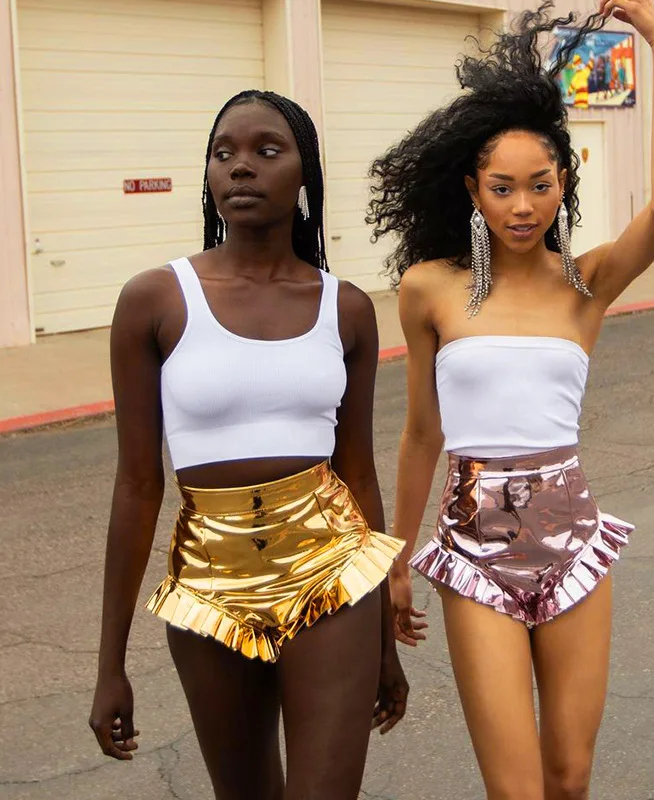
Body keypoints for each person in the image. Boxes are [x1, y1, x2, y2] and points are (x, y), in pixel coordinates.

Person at [368, 0, 654, 797]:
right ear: (472, 190)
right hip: (473, 547)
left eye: (540, 186)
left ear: (563, 183)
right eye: (502, 188)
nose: (522, 207)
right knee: (516, 791)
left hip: (571, 539)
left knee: (569, 779)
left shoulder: (588, 283)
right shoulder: (429, 289)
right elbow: (421, 435)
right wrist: (396, 561)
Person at [88, 89, 410, 800]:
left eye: (267, 151)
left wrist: (384, 642)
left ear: (305, 175)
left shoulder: (345, 308)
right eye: (223, 153)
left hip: (330, 570)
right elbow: (136, 485)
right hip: (210, 581)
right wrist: (110, 665)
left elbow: (358, 473)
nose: (240, 167)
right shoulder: (154, 300)